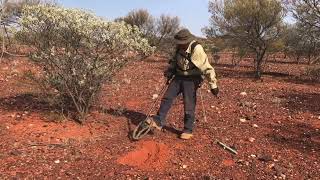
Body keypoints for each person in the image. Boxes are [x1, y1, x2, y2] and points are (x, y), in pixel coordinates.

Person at [147, 29, 219, 140]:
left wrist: (213, 85)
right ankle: (159, 120)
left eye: (182, 43)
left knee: (189, 103)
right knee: (167, 97)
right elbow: (175, 61)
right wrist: (170, 71)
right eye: (178, 43)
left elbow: (207, 68)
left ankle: (188, 129)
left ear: (187, 41)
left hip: (192, 78)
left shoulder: (196, 49)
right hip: (179, 76)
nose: (180, 45)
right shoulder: (179, 47)